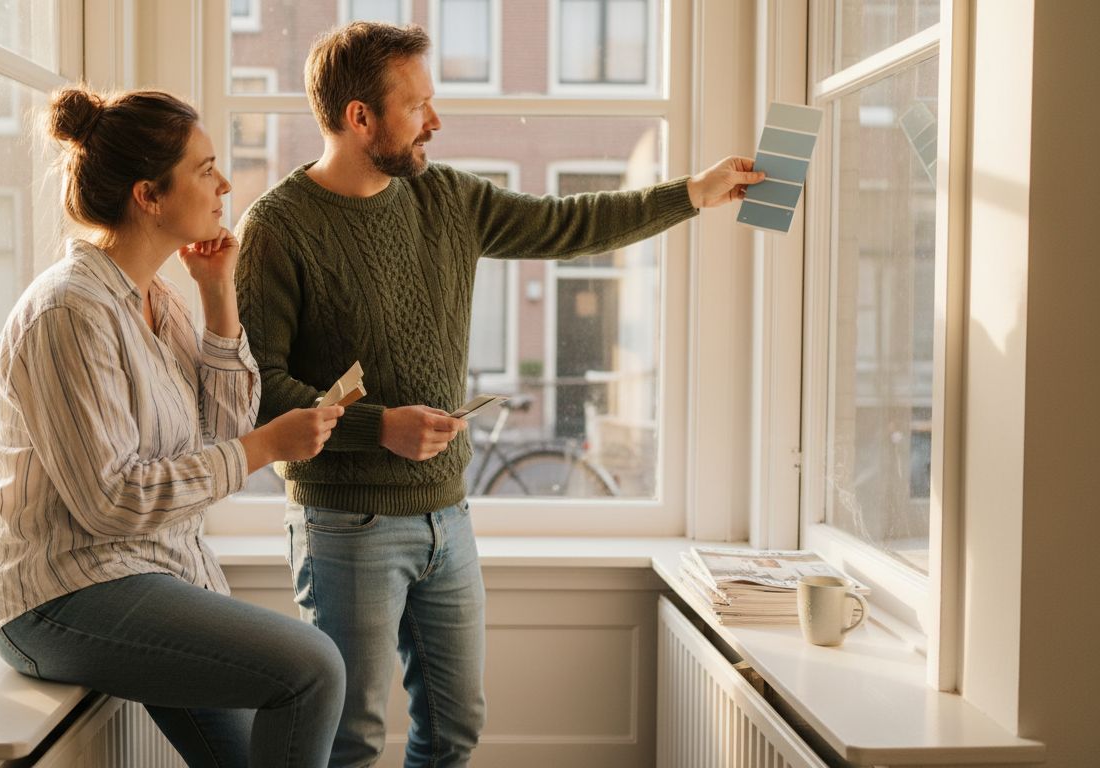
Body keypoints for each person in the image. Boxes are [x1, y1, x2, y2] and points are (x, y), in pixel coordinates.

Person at [233, 21, 766, 768]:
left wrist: (694, 194)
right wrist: (379, 427)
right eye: (417, 105)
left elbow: (570, 224)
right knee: (349, 742)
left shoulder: (448, 198)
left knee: (455, 731)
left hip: (448, 520)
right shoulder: (277, 228)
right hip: (345, 525)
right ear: (360, 118)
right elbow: (257, 393)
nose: (436, 122)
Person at [0, 85, 349, 768]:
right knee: (314, 668)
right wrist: (265, 448)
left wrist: (216, 292)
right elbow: (111, 501)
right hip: (60, 599)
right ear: (149, 194)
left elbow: (221, 428)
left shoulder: (157, 302)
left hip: (148, 577)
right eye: (205, 170)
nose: (225, 184)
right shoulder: (70, 313)